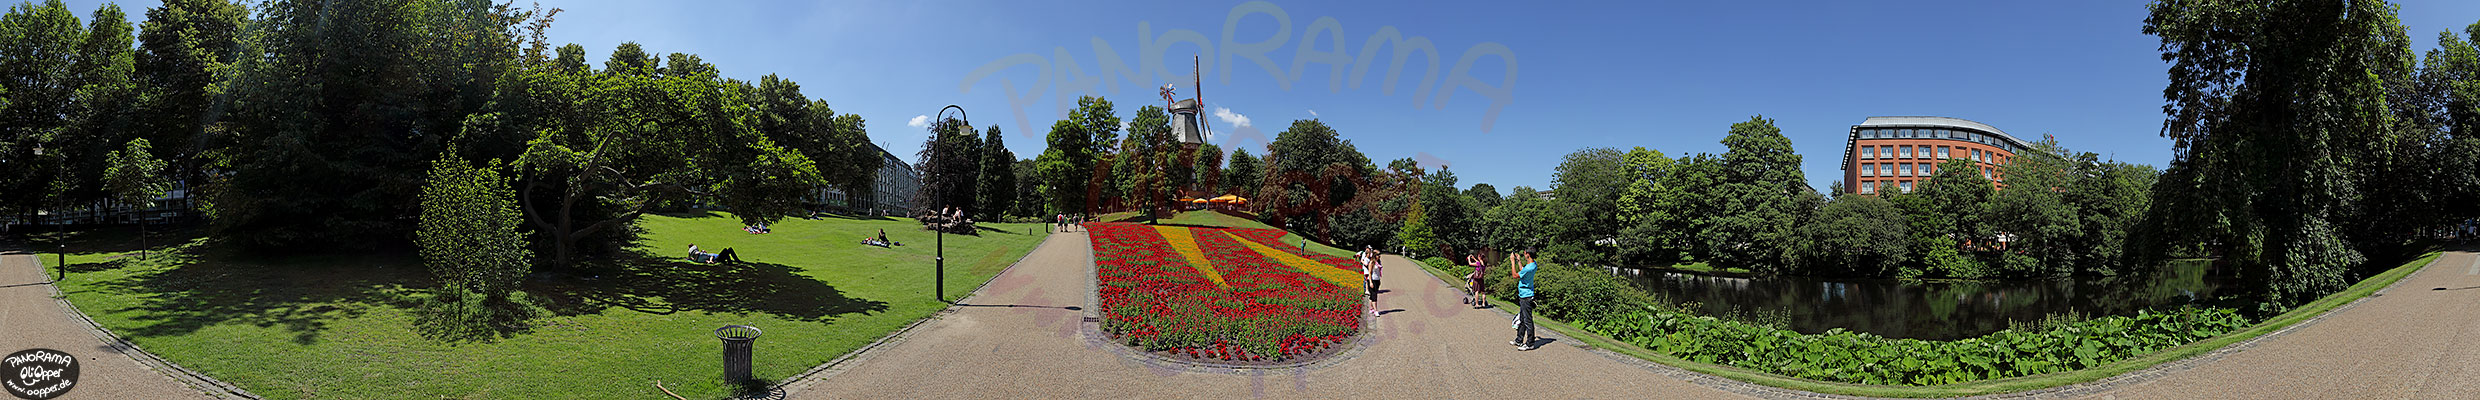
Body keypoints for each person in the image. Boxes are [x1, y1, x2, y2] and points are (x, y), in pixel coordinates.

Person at [1512, 249, 1541, 351]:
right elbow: (1523, 271)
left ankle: (1530, 343)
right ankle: (1519, 340)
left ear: (1527, 254)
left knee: (1528, 321)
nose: (1523, 254)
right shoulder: (1533, 264)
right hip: (1525, 295)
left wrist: (1512, 261)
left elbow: (1515, 275)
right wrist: (1519, 261)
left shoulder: (1529, 267)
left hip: (1526, 297)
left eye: (1524, 253)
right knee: (1523, 319)